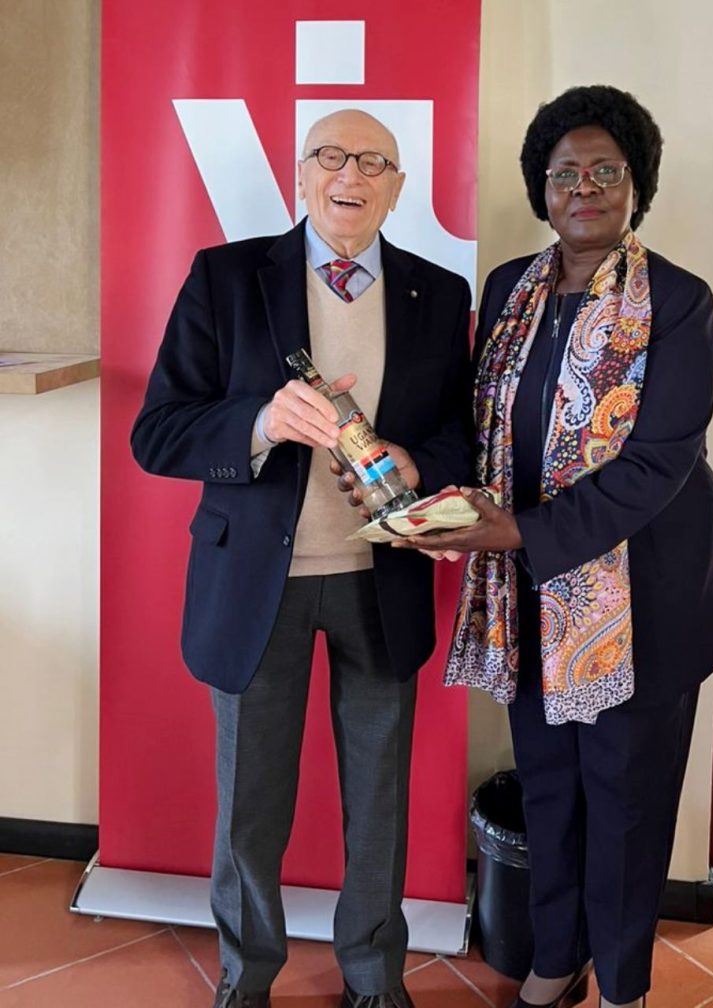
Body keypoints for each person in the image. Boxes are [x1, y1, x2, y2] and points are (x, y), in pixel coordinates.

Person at [395, 86, 713, 1008]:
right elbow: (483, 427)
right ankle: (558, 955)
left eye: (604, 171)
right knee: (550, 783)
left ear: (637, 185)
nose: (583, 187)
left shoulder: (679, 300)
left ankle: (623, 984)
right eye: (564, 174)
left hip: (646, 597)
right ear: (541, 190)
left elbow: (661, 458)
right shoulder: (510, 289)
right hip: (529, 596)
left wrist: (518, 530)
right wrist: (438, 504)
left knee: (626, 802)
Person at [131, 109, 472, 1008]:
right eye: (329, 155)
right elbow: (157, 430)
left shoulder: (438, 294)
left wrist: (415, 462)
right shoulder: (226, 278)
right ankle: (246, 978)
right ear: (301, 172)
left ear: (398, 187)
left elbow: (462, 435)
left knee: (378, 805)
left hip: (379, 579)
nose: (348, 174)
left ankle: (372, 977)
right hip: (258, 588)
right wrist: (260, 421)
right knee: (250, 806)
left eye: (372, 161)